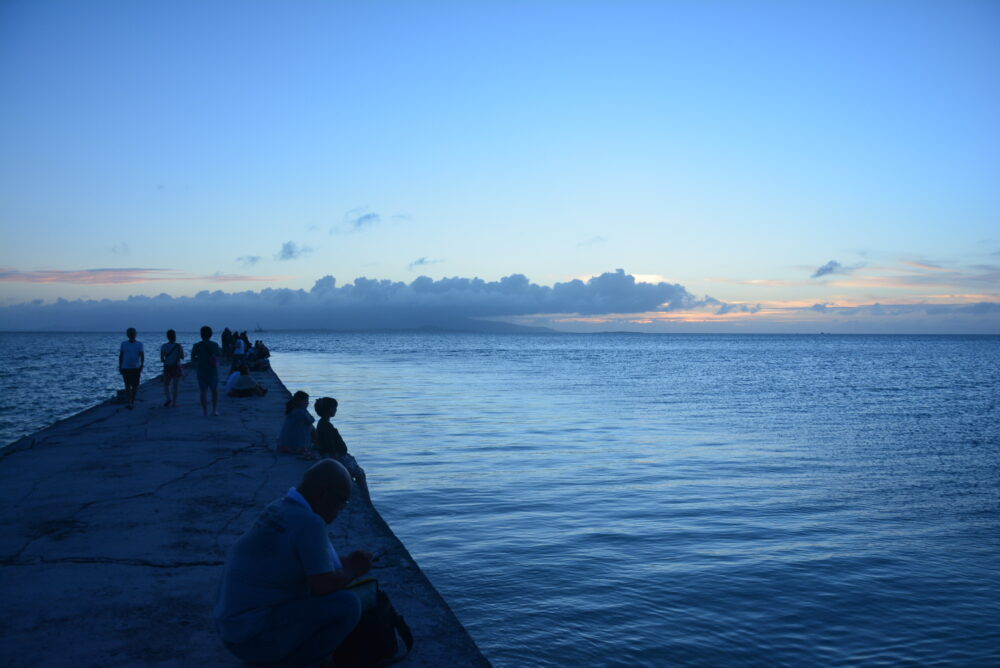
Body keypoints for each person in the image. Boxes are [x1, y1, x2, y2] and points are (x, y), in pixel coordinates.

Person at [213, 459, 371, 667]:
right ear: (324, 496)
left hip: (234, 632)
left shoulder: (281, 507)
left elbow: (315, 564)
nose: (341, 510)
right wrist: (353, 569)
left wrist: (347, 565)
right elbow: (322, 585)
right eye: (343, 502)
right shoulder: (310, 523)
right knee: (349, 605)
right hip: (253, 638)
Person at [314, 397, 370, 502]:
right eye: (334, 408)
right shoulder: (327, 426)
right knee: (361, 475)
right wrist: (338, 463)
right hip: (337, 457)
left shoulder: (322, 424)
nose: (335, 410)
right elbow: (331, 447)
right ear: (328, 410)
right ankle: (366, 501)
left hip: (335, 456)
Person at [191, 325, 222, 416]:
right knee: (214, 391)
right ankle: (214, 410)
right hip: (212, 371)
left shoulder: (196, 345)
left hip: (201, 371)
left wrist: (200, 360)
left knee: (203, 392)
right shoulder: (215, 345)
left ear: (201, 335)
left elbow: (193, 358)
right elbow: (218, 356)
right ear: (211, 334)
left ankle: (205, 411)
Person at [278, 391, 315, 456]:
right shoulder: (300, 412)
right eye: (305, 401)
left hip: (284, 445)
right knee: (311, 427)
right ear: (299, 402)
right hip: (296, 447)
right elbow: (311, 420)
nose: (307, 403)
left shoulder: (292, 410)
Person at [118, 327, 144, 410]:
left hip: (136, 368)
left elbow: (142, 355)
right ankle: (129, 402)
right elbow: (121, 355)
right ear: (127, 335)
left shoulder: (139, 344)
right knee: (127, 385)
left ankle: (132, 401)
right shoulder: (123, 344)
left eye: (133, 334)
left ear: (135, 335)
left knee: (135, 386)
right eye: (130, 334)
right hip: (125, 367)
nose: (131, 335)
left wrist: (142, 365)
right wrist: (120, 366)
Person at [160, 329, 184, 407]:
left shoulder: (164, 346)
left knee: (166, 384)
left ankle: (168, 398)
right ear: (175, 336)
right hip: (176, 367)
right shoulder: (178, 346)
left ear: (167, 337)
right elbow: (182, 357)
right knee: (175, 386)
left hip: (167, 367)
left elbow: (162, 359)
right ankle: (174, 403)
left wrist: (168, 360)